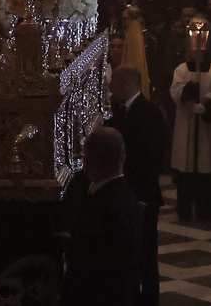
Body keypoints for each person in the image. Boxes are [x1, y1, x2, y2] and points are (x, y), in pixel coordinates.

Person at [58, 127, 143, 306]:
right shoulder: (124, 196)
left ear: (87, 160)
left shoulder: (107, 204)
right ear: (123, 157)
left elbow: (93, 260)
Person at [105, 65, 165, 306]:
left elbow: (151, 158)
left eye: (114, 83)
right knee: (127, 253)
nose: (110, 88)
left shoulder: (148, 113)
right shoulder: (118, 111)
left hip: (142, 195)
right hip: (127, 194)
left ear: (126, 84)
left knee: (146, 254)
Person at [168, 18, 211, 221]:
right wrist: (190, 90)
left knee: (206, 165)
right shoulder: (181, 70)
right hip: (187, 122)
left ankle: (207, 211)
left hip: (207, 127)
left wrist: (208, 105)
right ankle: (186, 210)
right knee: (188, 166)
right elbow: (175, 91)